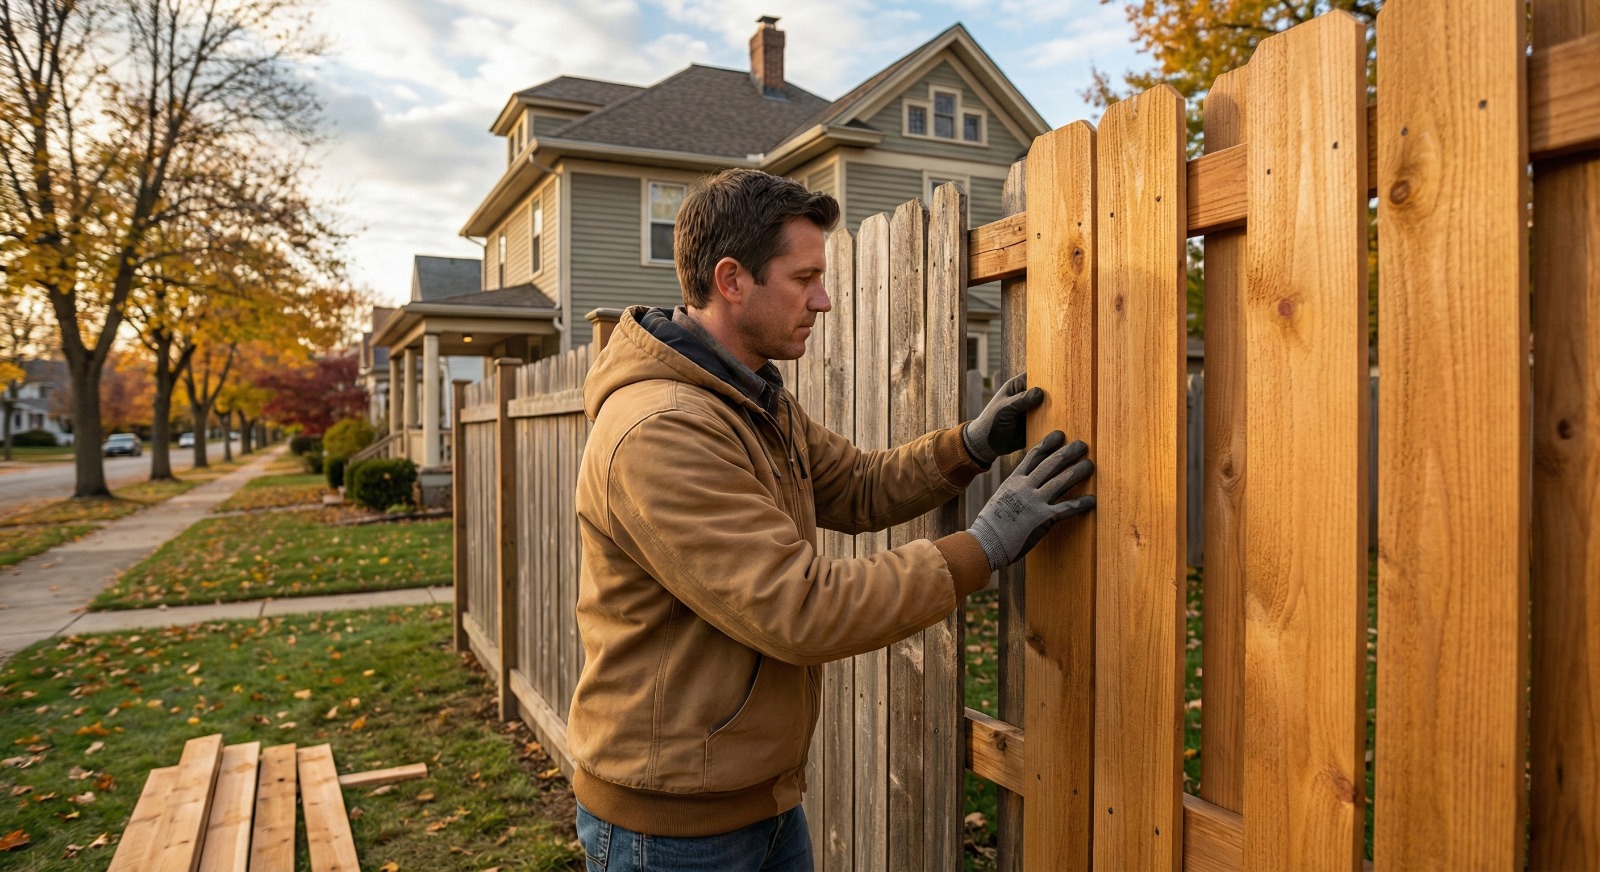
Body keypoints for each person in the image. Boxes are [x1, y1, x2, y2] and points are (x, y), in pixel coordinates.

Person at [569, 168, 1094, 871]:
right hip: (671, 830)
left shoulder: (747, 397)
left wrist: (967, 446)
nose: (823, 299)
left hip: (756, 798)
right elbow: (800, 607)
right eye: (803, 277)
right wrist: (984, 546)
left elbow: (854, 485)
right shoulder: (662, 430)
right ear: (732, 280)